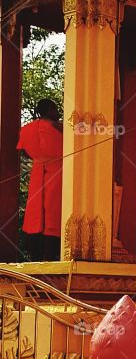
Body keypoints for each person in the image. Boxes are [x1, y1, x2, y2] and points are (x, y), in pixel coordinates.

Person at [17, 98, 63, 261]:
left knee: (35, 214)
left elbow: (23, 152)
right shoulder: (60, 128)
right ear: (49, 109)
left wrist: (39, 157)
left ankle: (35, 256)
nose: (58, 113)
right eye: (55, 109)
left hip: (38, 172)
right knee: (53, 213)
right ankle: (49, 255)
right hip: (57, 171)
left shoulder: (27, 129)